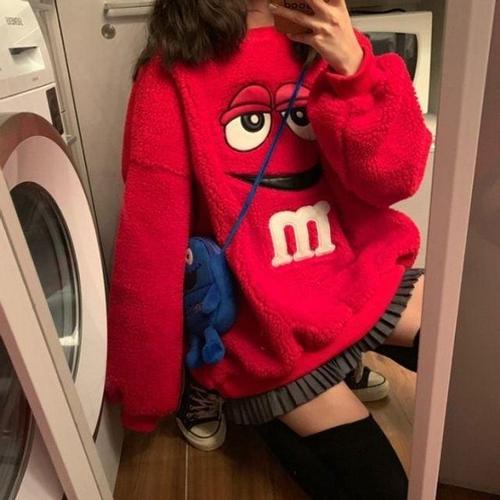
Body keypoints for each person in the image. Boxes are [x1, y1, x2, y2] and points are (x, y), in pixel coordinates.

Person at [105, 0, 431, 498]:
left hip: (354, 270)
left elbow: (395, 180)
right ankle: (214, 385)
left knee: (471, 346)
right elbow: (151, 241)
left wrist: (355, 69)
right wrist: (148, 387)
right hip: (261, 318)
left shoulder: (324, 39)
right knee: (383, 487)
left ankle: (345, 356)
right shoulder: (169, 77)